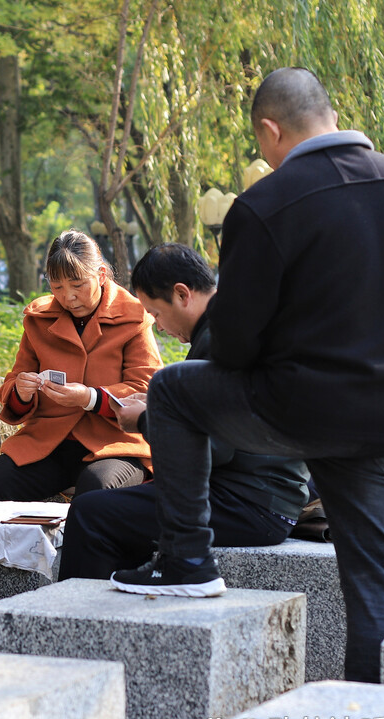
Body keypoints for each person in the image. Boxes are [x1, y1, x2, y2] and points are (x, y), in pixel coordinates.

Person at [109, 68, 384, 685]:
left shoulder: (266, 204)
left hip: (303, 409)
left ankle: (188, 559)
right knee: (377, 588)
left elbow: (236, 343)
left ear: (271, 129)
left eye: (261, 143)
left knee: (171, 390)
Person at [58, 243, 309, 583]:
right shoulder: (238, 325)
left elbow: (213, 447)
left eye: (156, 313)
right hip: (265, 496)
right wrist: (163, 408)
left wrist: (145, 419)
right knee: (110, 511)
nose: (159, 327)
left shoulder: (219, 341)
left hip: (247, 503)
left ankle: (76, 624)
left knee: (91, 512)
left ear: (181, 294)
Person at [0, 230, 161, 502]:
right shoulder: (38, 319)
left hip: (114, 444)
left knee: (97, 488)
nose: (68, 297)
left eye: (78, 285)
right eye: (57, 287)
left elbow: (147, 388)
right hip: (49, 444)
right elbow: (13, 382)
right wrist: (22, 391)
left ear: (102, 275)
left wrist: (90, 398)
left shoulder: (133, 316)